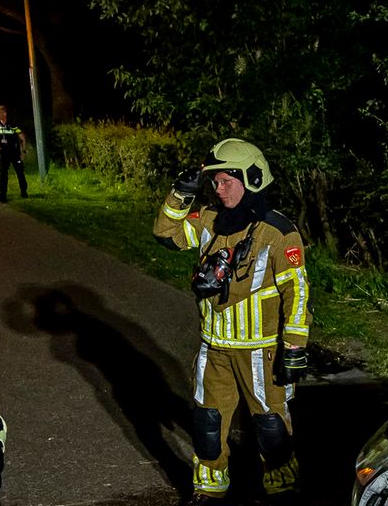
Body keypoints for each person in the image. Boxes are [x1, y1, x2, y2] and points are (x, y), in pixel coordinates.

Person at [152, 138, 310, 505]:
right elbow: (166, 233)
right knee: (208, 424)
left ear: (252, 178)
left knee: (271, 428)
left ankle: (282, 489)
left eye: (226, 181)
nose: (218, 190)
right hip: (215, 347)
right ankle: (210, 489)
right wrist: (179, 194)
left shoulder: (278, 233)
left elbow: (297, 294)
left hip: (262, 351)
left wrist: (294, 348)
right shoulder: (210, 219)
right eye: (215, 182)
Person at [0, 105, 27, 202]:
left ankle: (24, 191)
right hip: (2, 153)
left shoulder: (13, 124)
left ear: (4, 113)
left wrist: (23, 151)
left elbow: (22, 138)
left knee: (19, 172)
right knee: (3, 173)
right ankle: (3, 194)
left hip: (14, 152)